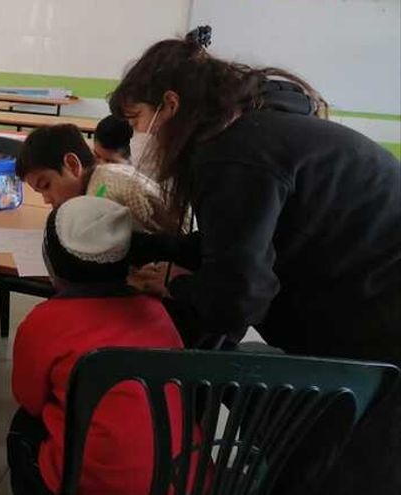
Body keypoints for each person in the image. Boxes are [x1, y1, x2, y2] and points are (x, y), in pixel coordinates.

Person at [114, 30, 401, 495]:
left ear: (170, 105)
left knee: (346, 472)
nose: (137, 136)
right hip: (366, 302)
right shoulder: (253, 129)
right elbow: (234, 244)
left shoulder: (234, 156)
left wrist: (176, 285)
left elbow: (237, 300)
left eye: (137, 119)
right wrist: (162, 250)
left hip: (382, 325)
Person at [8, 196, 199, 495]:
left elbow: (29, 398)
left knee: (22, 428)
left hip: (94, 486)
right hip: (182, 480)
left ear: (53, 264)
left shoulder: (44, 322)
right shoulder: (156, 310)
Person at [16, 123, 176, 232]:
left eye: (46, 185)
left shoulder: (107, 195)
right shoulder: (98, 180)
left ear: (72, 164)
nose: (46, 200)